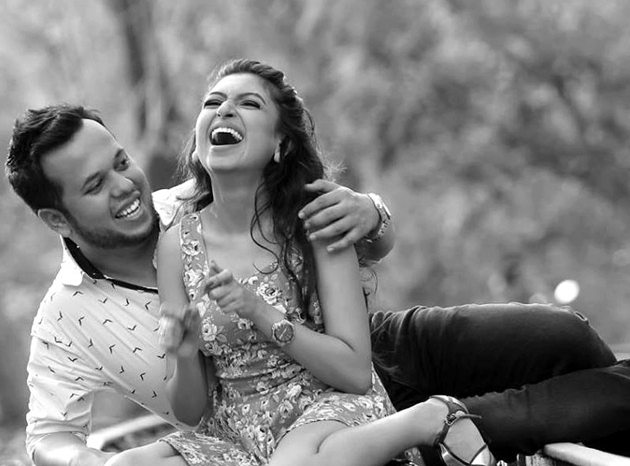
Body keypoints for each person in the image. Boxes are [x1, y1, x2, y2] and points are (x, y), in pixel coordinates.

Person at [5, 102, 630, 466]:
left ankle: (471, 424)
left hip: (368, 346)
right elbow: (49, 437)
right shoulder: (64, 324)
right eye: (95, 185)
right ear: (57, 218)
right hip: (284, 436)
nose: (125, 186)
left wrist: (371, 212)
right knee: (517, 415)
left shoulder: (202, 196)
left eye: (120, 162)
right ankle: (458, 425)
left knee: (561, 336)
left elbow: (365, 235)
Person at [108, 58, 491, 466]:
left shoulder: (314, 222)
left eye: (249, 104)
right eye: (213, 103)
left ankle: (432, 417)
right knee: (124, 465)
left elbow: (354, 372)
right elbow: (189, 412)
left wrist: (258, 311)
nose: (224, 110)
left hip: (327, 410)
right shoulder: (175, 245)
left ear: (282, 144)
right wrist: (185, 353)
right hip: (236, 435)